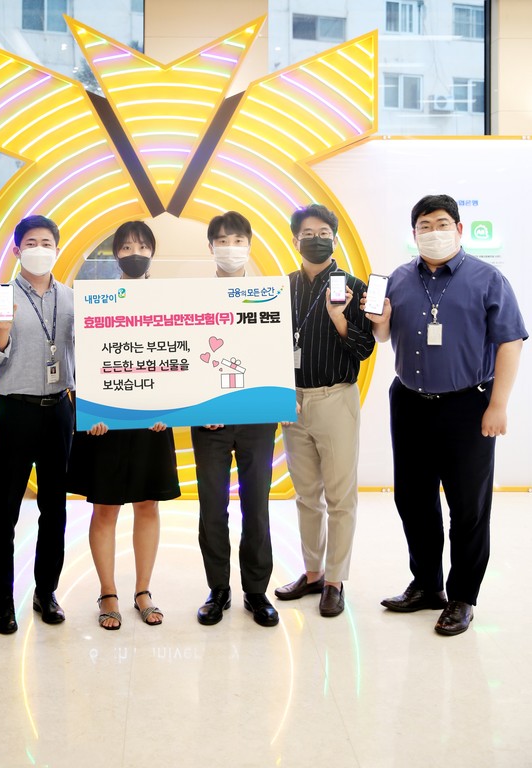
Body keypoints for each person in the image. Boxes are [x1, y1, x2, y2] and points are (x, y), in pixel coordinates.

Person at [365, 194, 527, 636]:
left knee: (468, 506)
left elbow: (511, 341)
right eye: (424, 226)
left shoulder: (487, 279)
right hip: (409, 402)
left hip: (468, 404)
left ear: (458, 229)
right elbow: (382, 336)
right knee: (412, 499)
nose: (432, 232)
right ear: (413, 233)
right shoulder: (398, 279)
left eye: (441, 224)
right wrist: (380, 319)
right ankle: (427, 585)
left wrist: (498, 405)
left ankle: (462, 597)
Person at [66, 221, 180, 630]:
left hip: (154, 421)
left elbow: (179, 358)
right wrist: (89, 409)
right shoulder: (95, 300)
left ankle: (143, 591)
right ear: (116, 254)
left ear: (153, 253)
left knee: (148, 504)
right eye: (127, 246)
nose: (136, 253)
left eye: (143, 246)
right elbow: (79, 358)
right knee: (106, 507)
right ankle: (108, 592)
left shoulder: (169, 300)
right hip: (106, 421)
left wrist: (170, 410)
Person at [274, 204, 375, 618]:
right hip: (292, 401)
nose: (315, 239)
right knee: (306, 496)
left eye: (323, 234)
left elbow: (365, 348)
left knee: (340, 497)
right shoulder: (280, 288)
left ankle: (335, 580)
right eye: (307, 234)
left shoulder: (353, 287)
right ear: (295, 240)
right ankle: (313, 573)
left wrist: (339, 318)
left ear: (334, 239)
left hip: (336, 398)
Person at [0, 214, 76, 635]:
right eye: (30, 243)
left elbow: (84, 355)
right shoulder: (0, 297)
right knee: (5, 508)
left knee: (55, 507)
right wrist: (2, 333)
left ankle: (46, 591)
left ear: (57, 248)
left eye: (46, 242)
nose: (39, 249)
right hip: (16, 410)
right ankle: (2, 598)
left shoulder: (70, 298)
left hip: (60, 410)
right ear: (17, 250)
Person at [191, 211, 280, 628]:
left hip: (257, 420)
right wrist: (200, 407)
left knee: (256, 505)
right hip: (209, 422)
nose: (230, 248)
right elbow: (185, 358)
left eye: (238, 240)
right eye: (222, 241)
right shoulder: (193, 298)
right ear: (210, 247)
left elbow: (278, 355)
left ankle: (256, 591)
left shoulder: (270, 296)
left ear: (249, 244)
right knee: (213, 507)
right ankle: (218, 589)